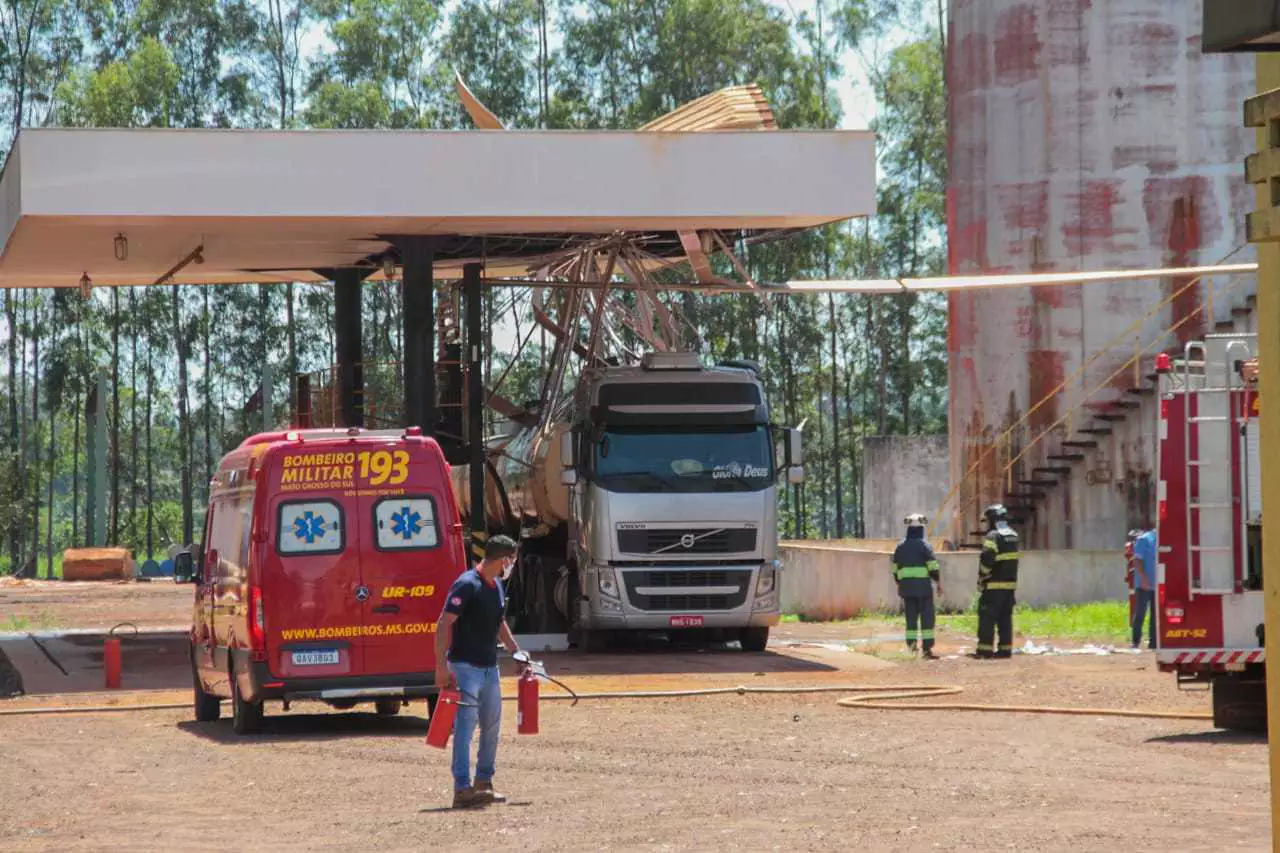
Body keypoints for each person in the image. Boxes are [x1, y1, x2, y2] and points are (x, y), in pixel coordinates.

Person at [435, 535, 522, 809]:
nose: (513, 565)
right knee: (465, 728)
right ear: (504, 559)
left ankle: (484, 783)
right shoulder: (466, 584)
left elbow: (499, 623)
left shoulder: (496, 585)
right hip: (464, 669)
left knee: (492, 726)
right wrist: (440, 667)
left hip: (489, 668)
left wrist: (516, 651)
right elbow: (443, 623)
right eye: (512, 559)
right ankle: (462, 788)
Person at [891, 513, 943, 659]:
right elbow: (933, 567)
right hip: (924, 589)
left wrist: (899, 584)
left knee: (911, 619)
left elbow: (895, 570)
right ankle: (927, 650)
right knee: (927, 619)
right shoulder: (925, 545)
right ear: (921, 529)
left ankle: (912, 649)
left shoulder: (900, 547)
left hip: (907, 589)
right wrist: (938, 583)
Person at [975, 504, 1019, 660]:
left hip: (993, 586)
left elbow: (987, 558)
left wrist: (982, 577)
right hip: (1009, 587)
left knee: (987, 617)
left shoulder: (993, 536)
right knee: (1005, 619)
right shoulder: (1013, 535)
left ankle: (985, 650)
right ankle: (1005, 649)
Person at [1130, 523, 1158, 650]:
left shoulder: (1162, 539)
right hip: (1144, 584)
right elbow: (1137, 560)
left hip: (1157, 584)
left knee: (1155, 614)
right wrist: (1143, 578)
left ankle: (1154, 642)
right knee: (1140, 612)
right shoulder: (1144, 539)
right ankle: (1136, 640)